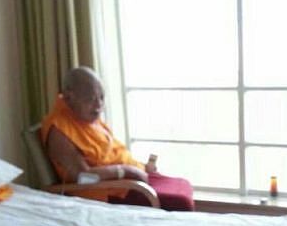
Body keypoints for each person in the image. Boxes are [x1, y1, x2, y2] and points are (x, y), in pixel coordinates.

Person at [40, 66, 194, 211]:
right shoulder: (59, 131)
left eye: (101, 97)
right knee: (180, 201)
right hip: (106, 191)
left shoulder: (85, 117)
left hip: (128, 180)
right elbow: (83, 177)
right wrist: (125, 171)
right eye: (90, 99)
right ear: (69, 97)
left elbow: (112, 153)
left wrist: (140, 167)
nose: (98, 105)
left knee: (183, 186)